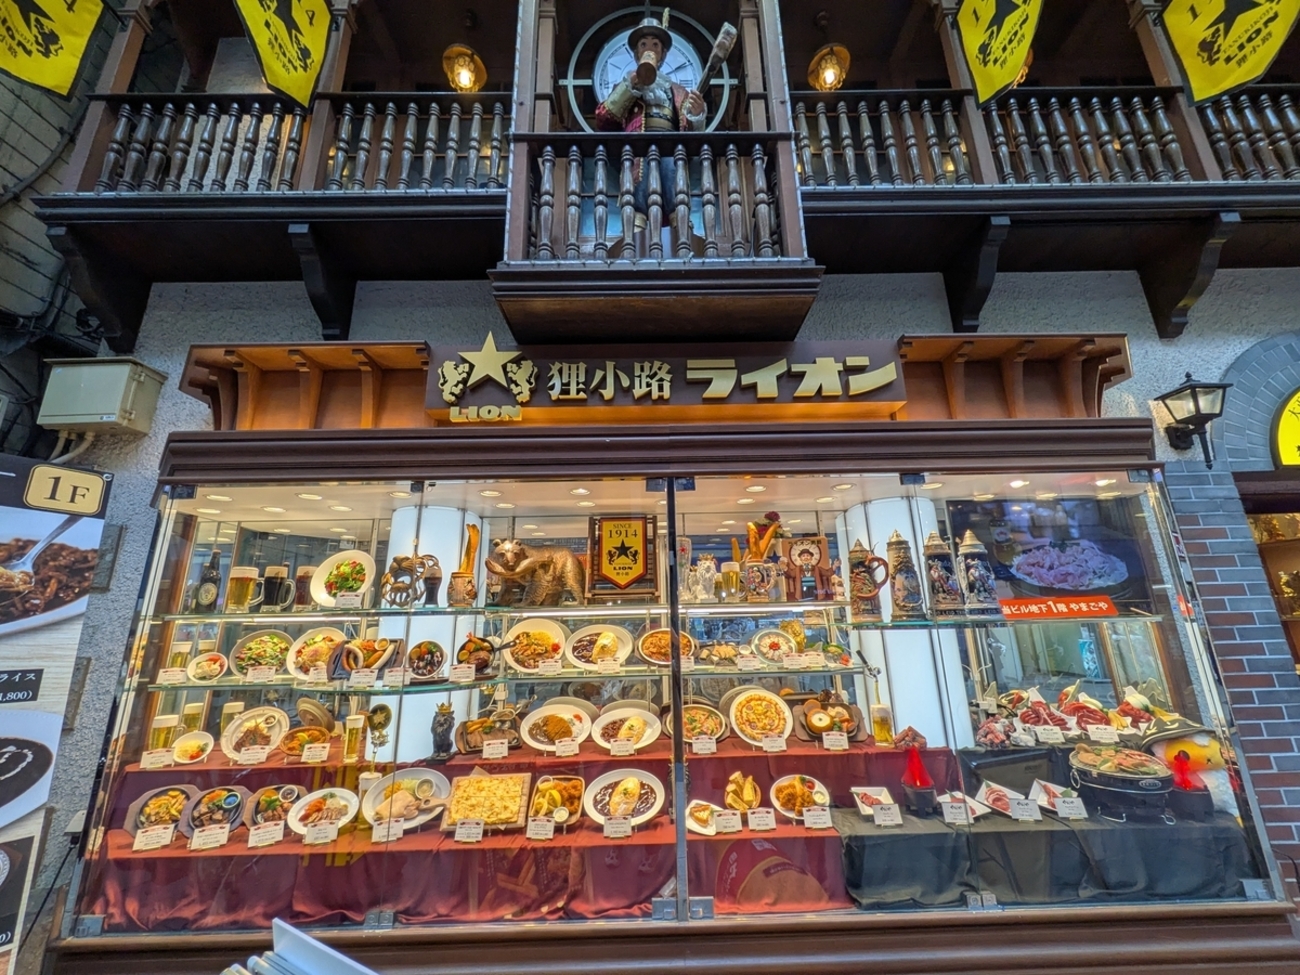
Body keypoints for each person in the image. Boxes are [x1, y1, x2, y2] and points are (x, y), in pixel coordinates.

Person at [595, 10, 707, 220]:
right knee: (638, 193)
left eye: (655, 45)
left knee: (674, 187)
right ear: (636, 53)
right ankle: (636, 230)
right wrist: (630, 86)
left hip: (670, 147)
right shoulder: (626, 87)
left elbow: (691, 134)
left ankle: (680, 228)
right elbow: (604, 118)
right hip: (637, 149)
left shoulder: (678, 91)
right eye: (643, 44)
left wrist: (697, 113)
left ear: (663, 54)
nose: (649, 49)